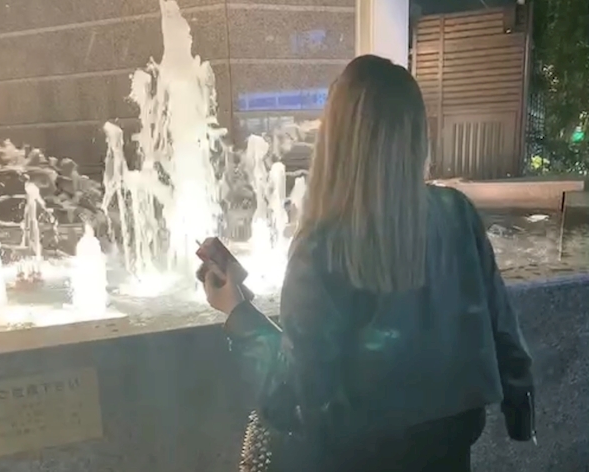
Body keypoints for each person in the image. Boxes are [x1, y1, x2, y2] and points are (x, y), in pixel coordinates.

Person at [200, 54, 534, 472]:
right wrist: (519, 401)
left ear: (337, 139)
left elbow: (297, 391)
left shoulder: (321, 244)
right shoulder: (456, 212)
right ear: (415, 135)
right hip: (450, 444)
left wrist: (238, 313)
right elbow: (501, 323)